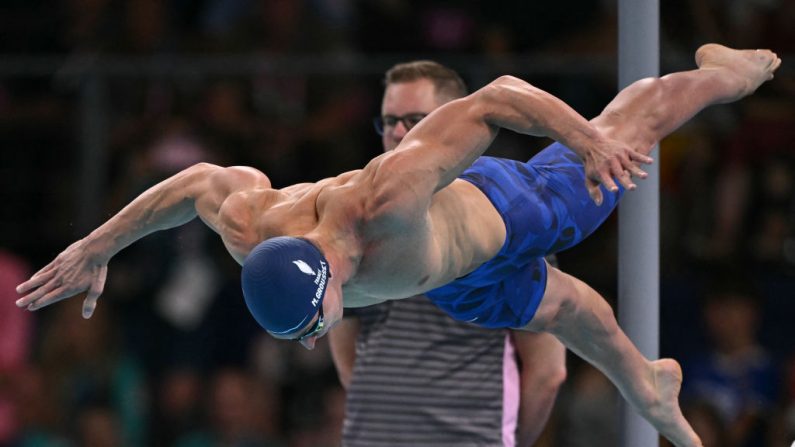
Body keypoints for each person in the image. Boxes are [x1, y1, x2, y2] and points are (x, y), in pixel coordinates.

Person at [16, 44, 780, 447]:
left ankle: (726, 75)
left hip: (503, 215)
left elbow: (501, 96)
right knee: (567, 311)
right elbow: (194, 184)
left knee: (628, 131)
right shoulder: (255, 223)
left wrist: (583, 142)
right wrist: (96, 244)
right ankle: (645, 384)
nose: (319, 341)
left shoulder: (388, 192)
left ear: (334, 287)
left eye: (318, 324)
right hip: (449, 282)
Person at [328, 60, 565, 446]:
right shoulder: (355, 217)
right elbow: (347, 355)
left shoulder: (507, 220)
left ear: (457, 125)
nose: (398, 132)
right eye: (389, 121)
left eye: (415, 119)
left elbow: (548, 371)